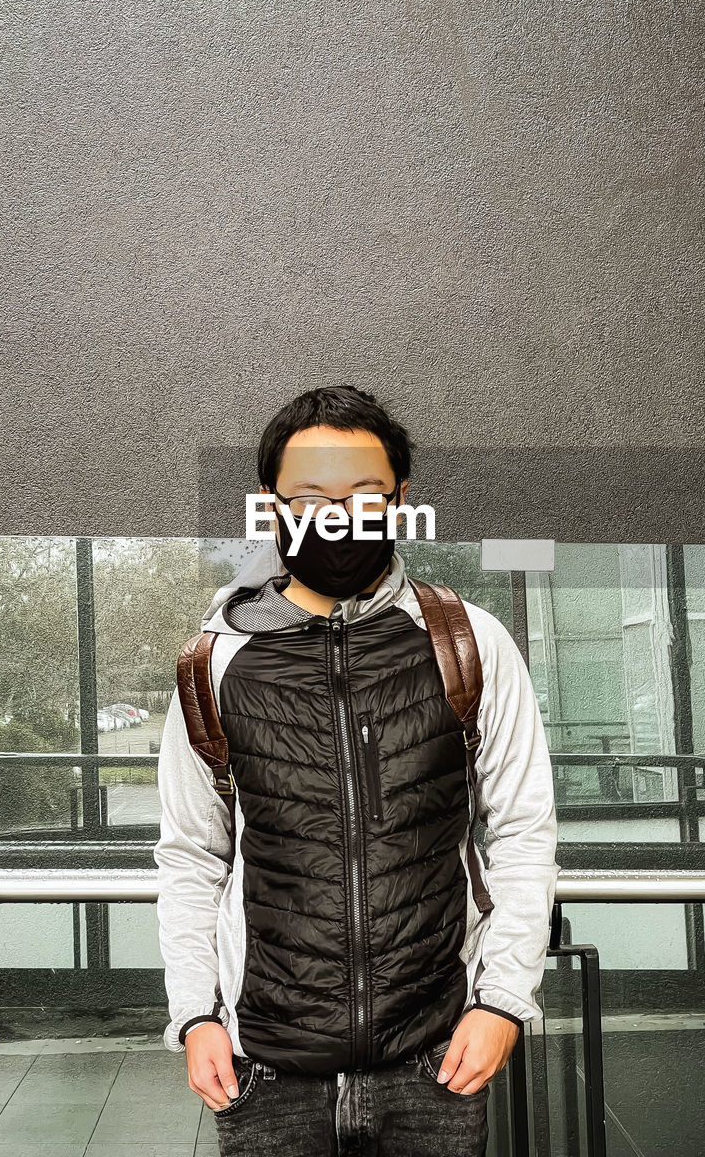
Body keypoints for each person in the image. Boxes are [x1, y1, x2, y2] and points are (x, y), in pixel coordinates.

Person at [154, 385, 560, 1156]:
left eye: (362, 495)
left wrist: (502, 1002)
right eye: (308, 497)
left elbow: (521, 831)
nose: (335, 517)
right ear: (270, 503)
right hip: (264, 1064)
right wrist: (195, 1015)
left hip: (436, 1056)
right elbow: (191, 856)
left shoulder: (468, 642)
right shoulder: (214, 662)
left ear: (400, 499)